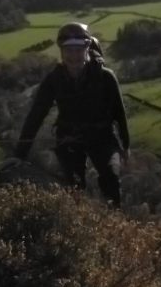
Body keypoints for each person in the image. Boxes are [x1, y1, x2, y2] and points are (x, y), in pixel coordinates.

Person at [13, 22, 129, 205]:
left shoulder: (106, 77)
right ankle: (80, 224)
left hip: (102, 136)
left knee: (111, 179)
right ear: (61, 52)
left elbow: (118, 112)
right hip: (70, 138)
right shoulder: (54, 80)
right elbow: (36, 115)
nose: (73, 56)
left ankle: (113, 223)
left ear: (86, 49)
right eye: (68, 50)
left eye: (78, 50)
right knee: (75, 186)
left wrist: (125, 145)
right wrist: (20, 154)